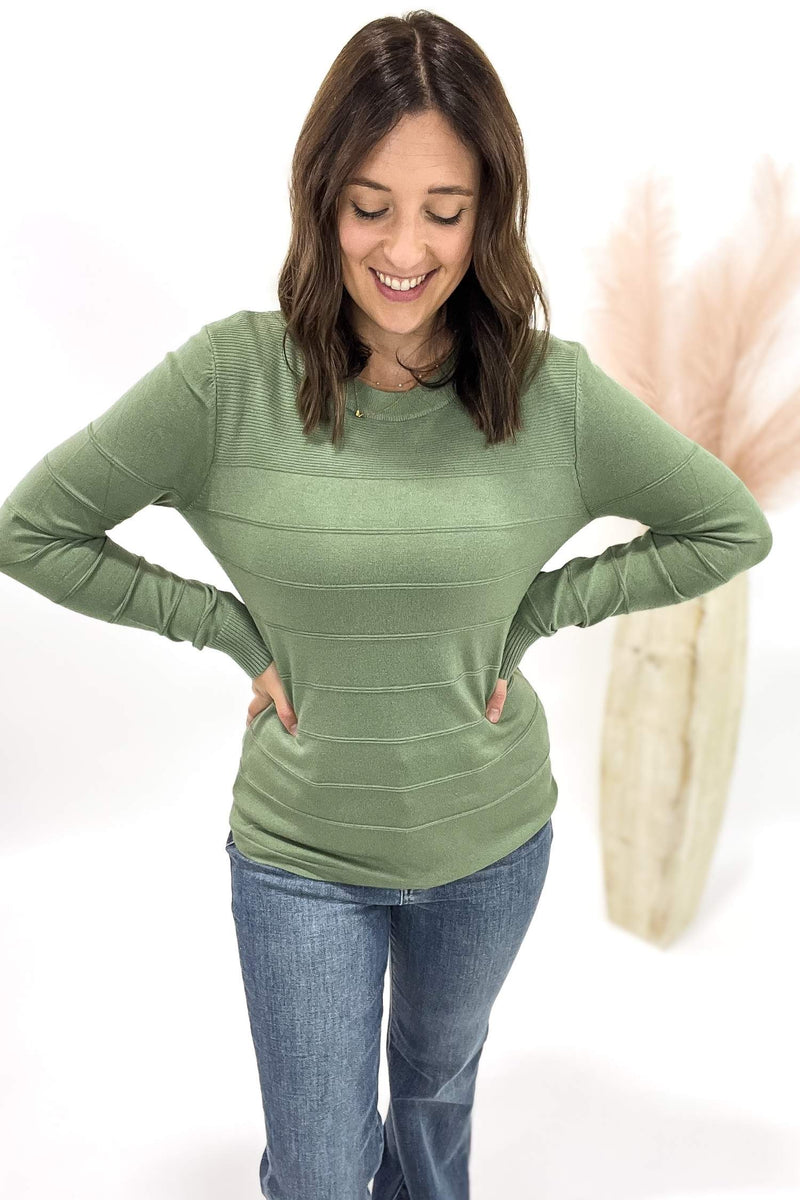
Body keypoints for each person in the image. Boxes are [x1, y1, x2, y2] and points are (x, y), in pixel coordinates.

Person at [0, 12, 773, 1200]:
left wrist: (542, 611)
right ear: (319, 200)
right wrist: (223, 628)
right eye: (369, 204)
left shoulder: (546, 392)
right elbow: (32, 529)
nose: (404, 247)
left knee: (430, 1105)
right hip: (301, 856)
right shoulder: (227, 382)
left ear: (488, 213)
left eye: (443, 210)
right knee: (318, 1172)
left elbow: (729, 524)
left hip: (489, 847)